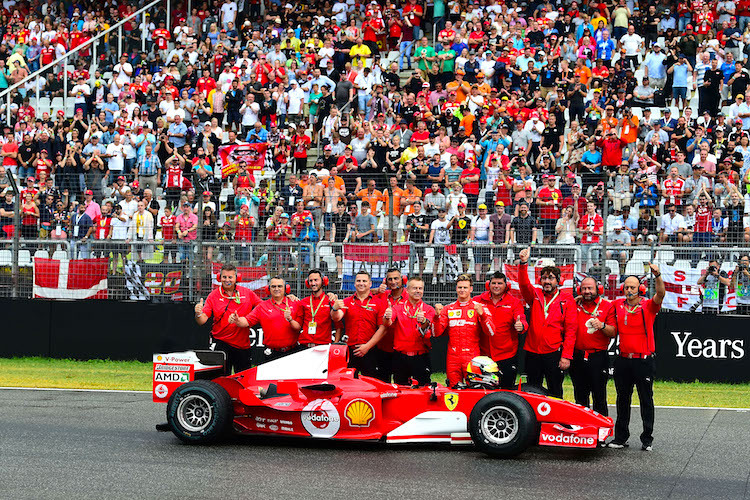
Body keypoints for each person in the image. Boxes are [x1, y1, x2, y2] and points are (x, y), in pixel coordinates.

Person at [603, 264, 665, 451]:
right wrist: (581, 298)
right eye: (627, 287)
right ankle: (621, 437)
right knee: (622, 399)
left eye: (633, 287)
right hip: (623, 359)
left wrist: (658, 276)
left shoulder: (648, 305)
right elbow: (599, 303)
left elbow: (660, 294)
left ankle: (647, 439)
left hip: (643, 360)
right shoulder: (617, 305)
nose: (629, 290)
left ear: (640, 289)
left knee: (646, 399)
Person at [517, 247, 577, 398]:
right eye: (544, 278)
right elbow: (524, 285)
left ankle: (557, 421)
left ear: (558, 280)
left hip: (553, 353)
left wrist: (566, 356)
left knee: (555, 391)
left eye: (551, 278)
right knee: (532, 391)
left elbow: (571, 330)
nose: (547, 281)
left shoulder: (567, 299)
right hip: (533, 352)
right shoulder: (535, 295)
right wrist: (524, 264)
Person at [194, 263, 262, 374]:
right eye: (224, 277)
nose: (227, 280)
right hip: (221, 343)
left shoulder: (247, 293)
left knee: (243, 380)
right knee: (220, 380)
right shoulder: (213, 295)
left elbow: (263, 307)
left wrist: (286, 298)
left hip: (243, 345)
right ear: (219, 278)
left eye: (230, 277)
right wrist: (197, 313)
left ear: (236, 278)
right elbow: (202, 320)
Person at [433, 274, 495, 387]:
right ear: (456, 288)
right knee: (453, 391)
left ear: (471, 289)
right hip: (453, 357)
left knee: (473, 389)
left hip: (472, 356)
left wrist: (483, 315)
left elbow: (491, 332)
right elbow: (436, 333)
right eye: (460, 287)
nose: (462, 290)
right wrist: (436, 317)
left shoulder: (479, 307)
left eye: (465, 287)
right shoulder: (448, 308)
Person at [331, 270, 387, 378]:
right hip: (351, 351)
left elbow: (383, 329)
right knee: (349, 385)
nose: (361, 283)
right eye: (358, 281)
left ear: (370, 284)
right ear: (354, 283)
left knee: (371, 387)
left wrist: (367, 347)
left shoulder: (379, 303)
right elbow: (337, 317)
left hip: (370, 351)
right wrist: (334, 308)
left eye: (364, 281)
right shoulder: (347, 301)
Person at [570, 276, 614, 416]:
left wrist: (602, 326)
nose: (586, 291)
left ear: (598, 289)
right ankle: (583, 433)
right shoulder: (574, 304)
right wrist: (572, 301)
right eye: (584, 288)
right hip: (577, 356)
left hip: (598, 357)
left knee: (599, 397)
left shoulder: (607, 306)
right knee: (580, 397)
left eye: (590, 288)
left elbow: (613, 332)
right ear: (579, 290)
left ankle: (600, 433)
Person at [230, 276, 299, 363]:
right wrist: (237, 320)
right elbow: (246, 321)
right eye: (273, 286)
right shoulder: (262, 307)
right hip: (272, 353)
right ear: (268, 289)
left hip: (292, 352)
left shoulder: (295, 303)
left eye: (279, 286)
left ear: (286, 289)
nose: (276, 289)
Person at [476, 271, 527, 389]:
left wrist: (521, 325)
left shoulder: (514, 302)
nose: (496, 286)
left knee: (506, 390)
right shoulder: (478, 300)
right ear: (488, 285)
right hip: (484, 355)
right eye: (494, 283)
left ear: (506, 285)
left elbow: (521, 319)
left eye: (499, 283)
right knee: (483, 390)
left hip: (506, 355)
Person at [383, 276, 436, 386]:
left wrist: (424, 321)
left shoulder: (429, 309)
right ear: (407, 290)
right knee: (401, 389)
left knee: (424, 390)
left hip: (421, 356)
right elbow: (388, 323)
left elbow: (427, 326)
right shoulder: (397, 308)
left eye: (420, 288)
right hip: (401, 357)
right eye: (414, 288)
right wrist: (387, 317)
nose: (418, 291)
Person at [373, 267, 409, 382]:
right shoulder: (383, 294)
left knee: (402, 383)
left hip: (402, 348)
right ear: (386, 281)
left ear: (403, 280)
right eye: (390, 279)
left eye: (396, 279)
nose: (393, 282)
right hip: (383, 346)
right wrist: (377, 290)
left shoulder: (410, 297)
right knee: (382, 382)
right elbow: (364, 293)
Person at [289, 269, 338, 347]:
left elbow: (338, 325)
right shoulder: (303, 302)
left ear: (323, 281)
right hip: (305, 345)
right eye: (311, 281)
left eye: (316, 280)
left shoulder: (329, 300)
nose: (313, 283)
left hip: (323, 346)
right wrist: (289, 297)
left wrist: (335, 344)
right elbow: (298, 324)